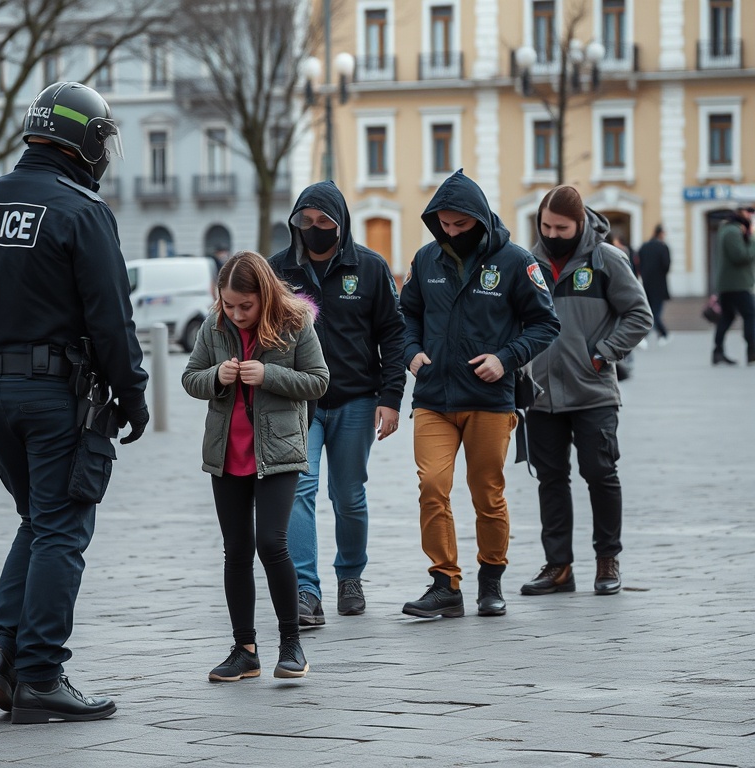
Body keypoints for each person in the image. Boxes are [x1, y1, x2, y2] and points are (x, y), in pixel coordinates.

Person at [0, 82, 149, 725]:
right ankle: (40, 673)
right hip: (54, 393)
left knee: (37, 518)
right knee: (63, 526)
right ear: (85, 142)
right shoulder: (80, 211)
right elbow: (111, 319)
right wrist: (134, 391)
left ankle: (2, 656)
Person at [398, 169, 559, 619]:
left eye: (460, 225)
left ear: (480, 219)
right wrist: (411, 351)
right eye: (444, 225)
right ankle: (444, 583)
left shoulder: (515, 261)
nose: (451, 232)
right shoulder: (427, 259)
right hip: (433, 397)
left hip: (489, 400)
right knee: (432, 486)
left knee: (487, 492)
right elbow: (406, 314)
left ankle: (491, 579)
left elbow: (547, 324)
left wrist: (505, 359)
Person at [182, 251, 329, 682]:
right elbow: (191, 378)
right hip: (226, 453)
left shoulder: (295, 323)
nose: (236, 314)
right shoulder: (214, 326)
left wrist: (269, 376)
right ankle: (244, 650)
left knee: (272, 543)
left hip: (279, 451)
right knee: (236, 550)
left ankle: (292, 646)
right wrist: (217, 377)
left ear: (263, 296)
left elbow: (319, 381)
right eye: (228, 305)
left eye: (245, 306)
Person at [268, 181, 405, 626]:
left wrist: (391, 398)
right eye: (305, 222)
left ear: (341, 224)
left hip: (356, 401)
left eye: (324, 222)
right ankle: (306, 591)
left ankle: (350, 577)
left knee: (348, 496)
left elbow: (393, 335)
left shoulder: (369, 267)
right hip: (296, 402)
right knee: (300, 492)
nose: (314, 229)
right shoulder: (278, 271)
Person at [520, 186, 653, 598]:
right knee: (551, 479)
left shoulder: (606, 259)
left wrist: (602, 354)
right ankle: (559, 566)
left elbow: (639, 314)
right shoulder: (527, 263)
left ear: (580, 224)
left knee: (600, 473)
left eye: (562, 227)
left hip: (593, 389)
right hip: (541, 394)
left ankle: (607, 560)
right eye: (546, 226)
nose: (553, 234)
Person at [711, 204, 755, 366]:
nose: (751, 215)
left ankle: (718, 352)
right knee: (750, 315)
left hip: (730, 284)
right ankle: (752, 352)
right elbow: (740, 256)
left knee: (727, 317)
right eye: (748, 211)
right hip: (737, 284)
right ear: (739, 213)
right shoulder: (732, 231)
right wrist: (753, 241)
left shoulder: (730, 229)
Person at [637, 224, 672, 345]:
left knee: (649, 310)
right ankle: (663, 333)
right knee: (655, 313)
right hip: (659, 284)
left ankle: (648, 335)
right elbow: (666, 265)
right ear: (660, 233)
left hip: (646, 284)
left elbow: (638, 263)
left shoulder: (644, 247)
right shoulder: (663, 247)